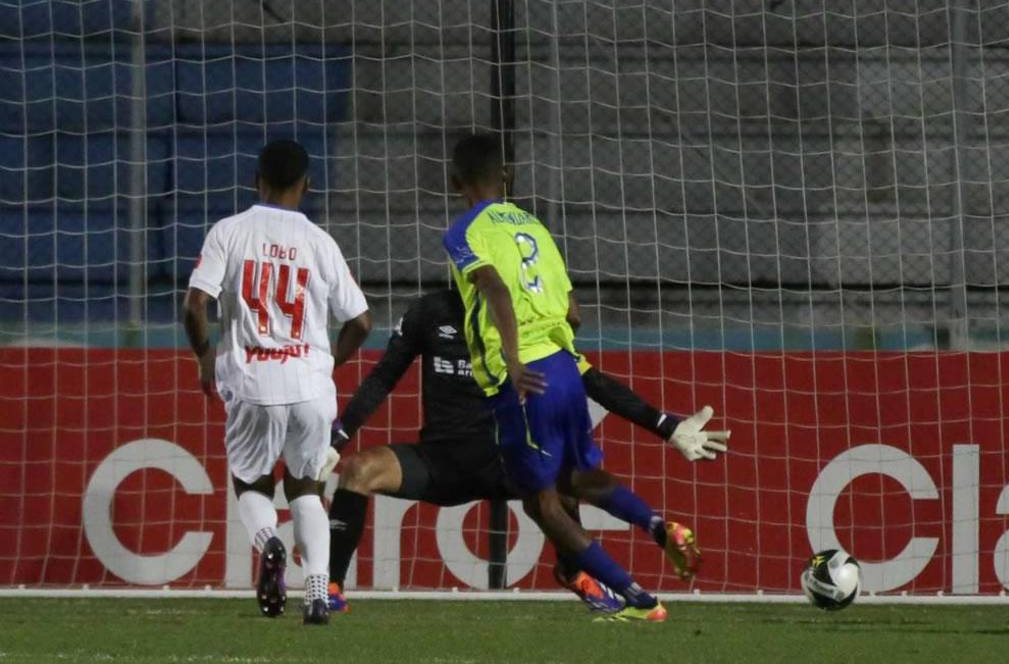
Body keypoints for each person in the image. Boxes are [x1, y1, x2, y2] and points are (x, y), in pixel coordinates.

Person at [323, 287, 731, 613]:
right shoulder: (429, 312)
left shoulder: (527, 320)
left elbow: (594, 381)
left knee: (569, 484)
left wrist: (665, 426)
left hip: (510, 460)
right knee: (358, 469)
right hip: (441, 462)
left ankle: (575, 573)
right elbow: (381, 379)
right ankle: (333, 588)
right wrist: (339, 439)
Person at [442, 132, 678, 622]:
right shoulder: (535, 227)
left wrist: (510, 357)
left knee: (542, 503)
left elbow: (494, 288)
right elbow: (573, 313)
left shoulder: (464, 230)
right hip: (567, 367)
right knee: (577, 477)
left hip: (527, 377)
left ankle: (638, 598)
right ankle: (658, 525)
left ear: (455, 181)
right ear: (505, 177)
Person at [183, 139, 372, 625]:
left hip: (252, 382)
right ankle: (315, 592)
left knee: (252, 483)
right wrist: (327, 365)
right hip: (310, 386)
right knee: (307, 488)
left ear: (255, 181)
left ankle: (270, 545)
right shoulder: (320, 241)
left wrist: (206, 356)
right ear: (307, 186)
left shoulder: (229, 231)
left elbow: (194, 304)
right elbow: (362, 322)